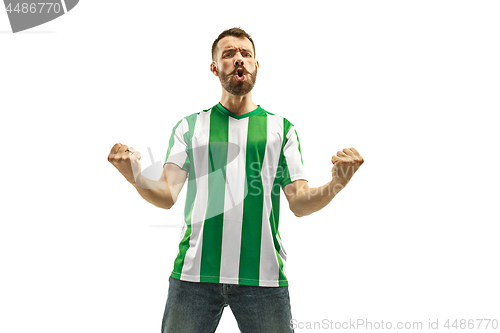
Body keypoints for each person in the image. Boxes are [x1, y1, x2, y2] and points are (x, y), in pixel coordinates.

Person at [108, 27, 364, 333]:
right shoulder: (190, 127)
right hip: (194, 278)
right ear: (215, 68)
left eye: (245, 53)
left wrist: (338, 182)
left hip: (263, 278)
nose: (238, 59)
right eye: (229, 54)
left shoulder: (282, 129)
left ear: (257, 65)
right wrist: (134, 176)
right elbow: (166, 194)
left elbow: (300, 203)